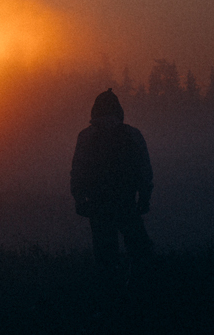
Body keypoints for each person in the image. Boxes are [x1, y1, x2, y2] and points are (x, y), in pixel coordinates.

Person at [71, 88, 153, 301]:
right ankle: (138, 296)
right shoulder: (132, 134)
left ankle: (110, 299)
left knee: (105, 254)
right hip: (126, 202)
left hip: (98, 204)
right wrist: (144, 198)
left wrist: (80, 199)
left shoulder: (86, 136)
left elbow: (78, 170)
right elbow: (144, 169)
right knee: (140, 251)